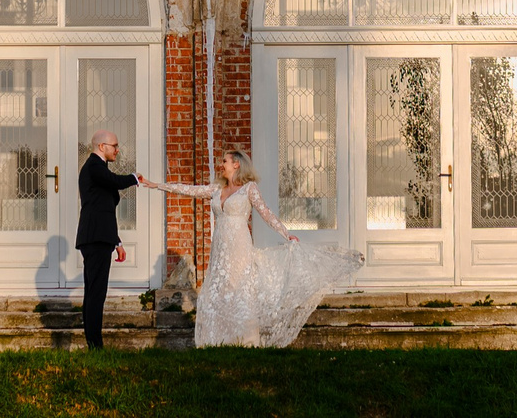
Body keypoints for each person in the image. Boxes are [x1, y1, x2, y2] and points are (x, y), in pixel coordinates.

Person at [142, 149, 361, 347]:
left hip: (239, 245)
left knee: (240, 288)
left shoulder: (249, 189)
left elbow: (265, 212)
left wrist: (285, 233)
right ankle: (218, 340)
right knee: (220, 289)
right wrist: (156, 185)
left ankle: (245, 341)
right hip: (220, 248)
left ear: (237, 164)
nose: (221, 164)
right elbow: (188, 190)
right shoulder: (217, 189)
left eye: (225, 161)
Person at [74, 129, 143, 348]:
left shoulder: (99, 170)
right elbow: (114, 181)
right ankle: (95, 345)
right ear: (102, 147)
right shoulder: (94, 166)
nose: (118, 149)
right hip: (94, 238)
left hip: (101, 237)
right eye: (115, 145)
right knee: (95, 292)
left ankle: (94, 342)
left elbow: (105, 211)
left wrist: (117, 242)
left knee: (96, 291)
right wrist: (135, 178)